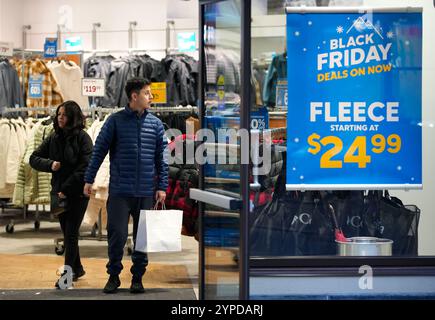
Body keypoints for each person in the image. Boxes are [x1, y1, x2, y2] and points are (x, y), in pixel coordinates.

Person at [83, 77, 168, 294]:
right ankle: (113, 276)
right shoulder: (114, 121)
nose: (151, 97)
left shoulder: (156, 124)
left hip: (146, 192)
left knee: (143, 237)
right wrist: (89, 179)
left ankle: (137, 277)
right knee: (117, 235)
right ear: (134, 96)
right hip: (120, 191)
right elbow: (98, 151)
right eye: (147, 93)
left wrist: (162, 187)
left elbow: (162, 159)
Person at [30, 100, 93, 289]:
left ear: (73, 117)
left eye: (64, 115)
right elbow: (33, 158)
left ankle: (67, 277)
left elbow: (85, 167)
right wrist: (50, 165)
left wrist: (65, 189)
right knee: (68, 234)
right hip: (57, 193)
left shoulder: (83, 138)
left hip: (76, 193)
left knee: (71, 233)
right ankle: (78, 268)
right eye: (58, 115)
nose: (60, 118)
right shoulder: (53, 137)